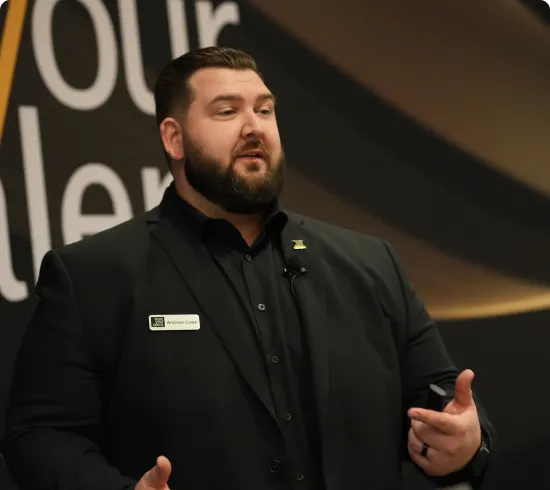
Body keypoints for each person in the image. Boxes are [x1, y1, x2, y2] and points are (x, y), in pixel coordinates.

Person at [2, 46, 495, 490]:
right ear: (174, 138)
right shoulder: (94, 274)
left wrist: (465, 442)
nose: (254, 126)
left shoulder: (370, 263)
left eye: (264, 110)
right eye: (227, 111)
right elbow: (39, 436)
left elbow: (443, 402)